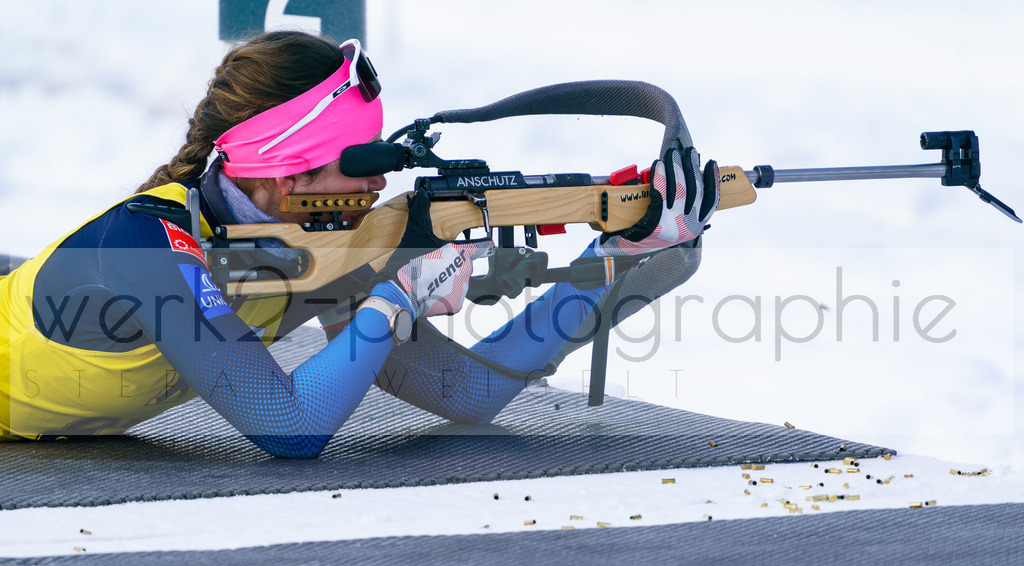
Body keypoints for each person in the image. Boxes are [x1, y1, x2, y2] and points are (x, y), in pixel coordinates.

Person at [0, 30, 718, 458]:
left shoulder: (318, 246)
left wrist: (625, 266)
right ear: (284, 167)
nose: (375, 181)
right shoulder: (147, 245)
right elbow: (288, 426)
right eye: (358, 159)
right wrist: (393, 300)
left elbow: (465, 392)